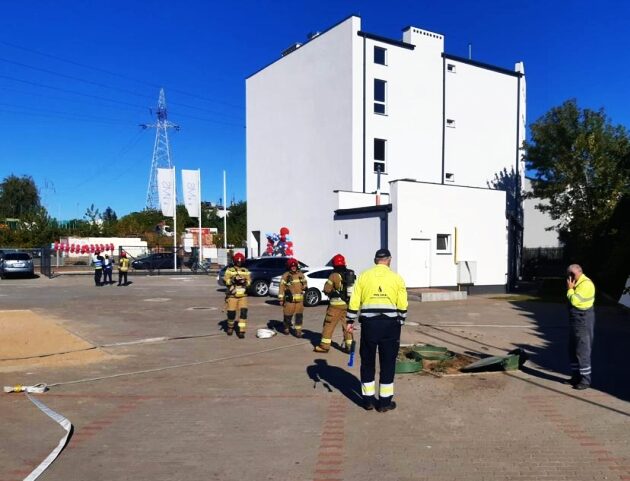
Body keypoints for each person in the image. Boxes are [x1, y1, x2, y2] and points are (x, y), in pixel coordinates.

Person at [346, 248, 408, 413]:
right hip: (390, 325)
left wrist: (350, 319)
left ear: (375, 260)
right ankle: (384, 403)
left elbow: (355, 299)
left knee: (367, 362)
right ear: (389, 260)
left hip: (369, 325)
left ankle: (368, 401)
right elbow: (402, 302)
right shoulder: (396, 278)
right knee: (388, 363)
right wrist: (401, 320)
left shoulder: (364, 276)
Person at [314, 254, 355, 353]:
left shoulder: (333, 275)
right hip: (348, 305)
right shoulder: (350, 274)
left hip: (335, 306)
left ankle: (324, 346)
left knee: (329, 325)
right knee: (347, 326)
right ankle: (349, 346)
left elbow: (327, 289)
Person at [566, 264, 596, 390]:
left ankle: (585, 380)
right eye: (568, 274)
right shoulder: (577, 283)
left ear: (579, 272)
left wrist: (570, 289)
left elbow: (575, 301)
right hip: (575, 320)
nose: (569, 277)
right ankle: (576, 376)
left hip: (583, 319)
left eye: (572, 274)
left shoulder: (586, 284)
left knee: (582, 350)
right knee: (572, 349)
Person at [223, 252, 251, 338]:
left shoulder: (245, 271)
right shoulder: (229, 270)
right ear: (234, 261)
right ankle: (230, 327)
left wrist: (245, 282)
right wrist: (233, 280)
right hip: (232, 296)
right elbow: (225, 280)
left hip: (243, 296)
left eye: (240, 261)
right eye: (237, 261)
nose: (239, 262)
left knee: (243, 313)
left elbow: (249, 282)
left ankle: (241, 331)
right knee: (231, 313)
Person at [278, 258, 308, 337]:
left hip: (299, 301)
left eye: (295, 266)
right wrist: (281, 299)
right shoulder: (285, 276)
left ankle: (298, 331)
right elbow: (281, 287)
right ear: (289, 267)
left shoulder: (300, 275)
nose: (293, 267)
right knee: (288, 315)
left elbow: (305, 283)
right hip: (289, 300)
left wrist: (305, 286)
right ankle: (286, 327)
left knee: (299, 316)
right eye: (292, 266)